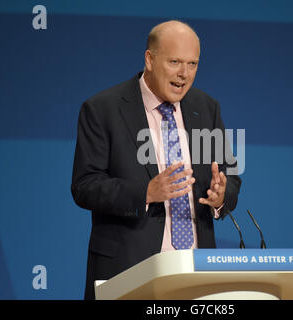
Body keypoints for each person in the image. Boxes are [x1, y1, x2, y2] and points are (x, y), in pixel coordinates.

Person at [71, 20, 241, 300]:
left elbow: (229, 175)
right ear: (150, 59)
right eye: (174, 62)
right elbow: (85, 185)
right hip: (128, 271)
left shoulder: (206, 108)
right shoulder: (103, 109)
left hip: (195, 274)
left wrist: (221, 196)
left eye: (193, 64)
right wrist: (146, 193)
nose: (184, 74)